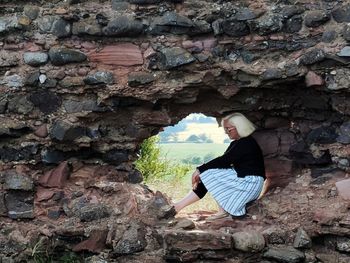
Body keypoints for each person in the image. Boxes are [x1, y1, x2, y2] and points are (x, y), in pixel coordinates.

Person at [173, 112, 266, 220]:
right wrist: (203, 171)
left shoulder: (246, 143)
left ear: (239, 127)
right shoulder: (239, 142)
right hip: (245, 180)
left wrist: (200, 170)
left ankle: (223, 212)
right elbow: (223, 163)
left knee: (208, 172)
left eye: (228, 129)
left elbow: (224, 160)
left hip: (250, 184)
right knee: (208, 173)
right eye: (225, 129)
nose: (226, 132)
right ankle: (178, 206)